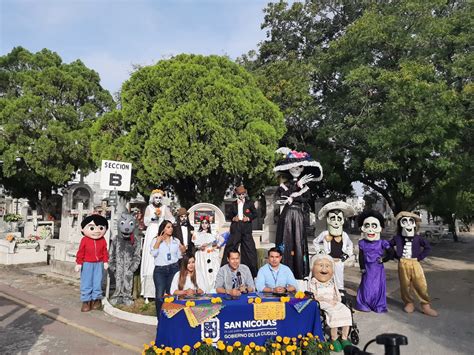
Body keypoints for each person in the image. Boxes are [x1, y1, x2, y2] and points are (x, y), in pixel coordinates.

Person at [274, 147, 323, 279]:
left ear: (302, 168)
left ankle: (299, 271)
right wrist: (292, 192)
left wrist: (296, 191)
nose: (296, 169)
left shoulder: (305, 186)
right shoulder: (284, 185)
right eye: (293, 167)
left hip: (298, 215)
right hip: (286, 215)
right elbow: (280, 196)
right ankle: (283, 270)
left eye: (299, 167)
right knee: (285, 239)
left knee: (298, 240)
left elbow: (305, 198)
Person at [390, 211, 438, 317]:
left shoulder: (418, 238)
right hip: (403, 263)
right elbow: (388, 246)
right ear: (400, 224)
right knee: (405, 285)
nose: (408, 224)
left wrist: (420, 257)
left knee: (421, 284)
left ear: (414, 224)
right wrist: (395, 256)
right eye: (404, 221)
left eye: (410, 221)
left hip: (415, 262)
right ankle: (408, 302)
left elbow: (427, 247)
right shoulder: (397, 238)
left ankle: (425, 305)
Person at [308, 254, 353, 352]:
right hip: (322, 302)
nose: (324, 269)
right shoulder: (313, 282)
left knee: (346, 311)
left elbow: (336, 293)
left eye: (327, 266)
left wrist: (337, 300)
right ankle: (334, 338)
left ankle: (344, 337)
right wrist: (326, 300)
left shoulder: (331, 281)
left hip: (334, 301)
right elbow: (313, 295)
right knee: (334, 313)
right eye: (320, 265)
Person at [141, 189, 175, 302]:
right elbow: (145, 222)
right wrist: (153, 218)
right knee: (150, 258)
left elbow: (172, 219)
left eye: (160, 198)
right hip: (152, 232)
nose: (158, 200)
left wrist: (164, 220)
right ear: (152, 198)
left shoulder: (165, 208)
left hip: (162, 231)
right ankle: (147, 292)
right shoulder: (149, 208)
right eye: (156, 198)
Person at [314, 201, 355, 292]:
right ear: (328, 220)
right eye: (333, 218)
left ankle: (340, 293)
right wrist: (320, 252)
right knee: (327, 277)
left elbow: (350, 245)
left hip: (339, 261)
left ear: (342, 221)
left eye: (339, 219)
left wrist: (346, 255)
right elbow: (315, 242)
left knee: (339, 278)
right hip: (328, 260)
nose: (336, 222)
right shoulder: (325, 234)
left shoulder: (344, 235)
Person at [356, 210, 392, 313]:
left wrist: (384, 259)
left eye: (374, 226)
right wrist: (362, 267)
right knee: (366, 286)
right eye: (367, 226)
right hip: (367, 269)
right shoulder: (362, 243)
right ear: (363, 228)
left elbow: (391, 252)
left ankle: (378, 305)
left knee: (377, 287)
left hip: (378, 269)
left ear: (380, 228)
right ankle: (364, 303)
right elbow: (361, 256)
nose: (370, 229)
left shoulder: (382, 243)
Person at [151, 220, 186, 316]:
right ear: (163, 228)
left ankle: (172, 315)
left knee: (172, 293)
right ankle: (160, 317)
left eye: (171, 227)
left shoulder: (176, 240)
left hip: (173, 269)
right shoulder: (156, 240)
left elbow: (179, 256)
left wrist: (183, 251)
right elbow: (153, 253)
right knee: (159, 295)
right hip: (160, 270)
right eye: (168, 227)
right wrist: (158, 241)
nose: (171, 229)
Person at [221, 185, 258, 277]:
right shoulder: (233, 204)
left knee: (249, 249)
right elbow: (229, 215)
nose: (241, 195)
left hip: (246, 228)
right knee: (231, 246)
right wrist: (233, 218)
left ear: (245, 194)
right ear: (237, 194)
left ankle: (251, 273)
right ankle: (225, 270)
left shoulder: (250, 203)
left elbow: (255, 214)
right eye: (239, 194)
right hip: (236, 227)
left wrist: (248, 218)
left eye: (243, 194)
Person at [75, 214, 109, 312]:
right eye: (92, 228)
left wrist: (105, 261)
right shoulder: (85, 240)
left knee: (97, 282)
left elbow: (104, 251)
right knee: (86, 282)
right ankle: (86, 301)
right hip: (87, 264)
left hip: (99, 264)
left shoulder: (102, 240)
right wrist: (79, 263)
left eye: (101, 227)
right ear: (83, 229)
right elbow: (81, 252)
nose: (97, 231)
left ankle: (96, 299)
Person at [193, 216, 223, 293]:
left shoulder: (213, 233)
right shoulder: (197, 234)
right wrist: (200, 247)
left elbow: (221, 240)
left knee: (212, 272)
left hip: (210, 254)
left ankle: (212, 289)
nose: (204, 224)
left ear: (209, 225)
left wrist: (215, 247)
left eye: (206, 223)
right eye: (202, 223)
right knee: (202, 270)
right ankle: (203, 289)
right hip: (201, 255)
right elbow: (195, 244)